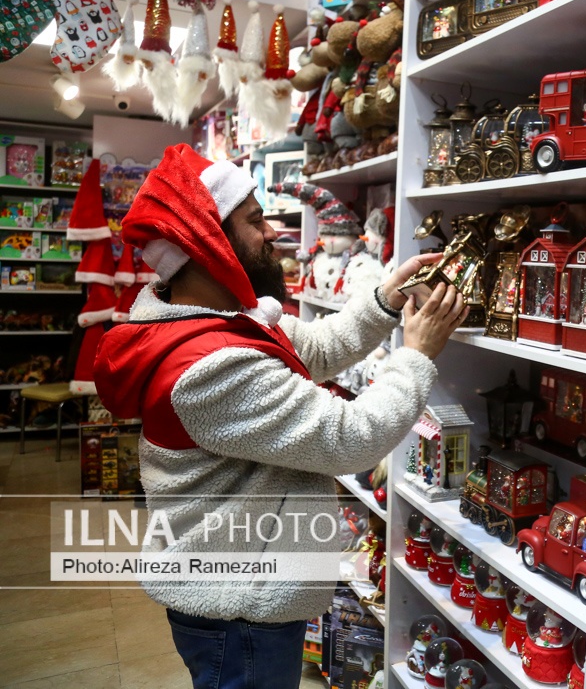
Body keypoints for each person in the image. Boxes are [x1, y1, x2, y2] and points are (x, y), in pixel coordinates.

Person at [92, 144, 467, 689]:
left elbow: (315, 346)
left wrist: (385, 299)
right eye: (254, 221)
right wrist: (415, 356)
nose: (272, 234)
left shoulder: (219, 322)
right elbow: (350, 439)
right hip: (239, 610)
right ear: (207, 244)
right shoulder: (208, 365)